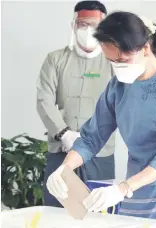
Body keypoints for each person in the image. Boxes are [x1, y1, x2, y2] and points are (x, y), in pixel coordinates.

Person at [46, 11, 156, 227]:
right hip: (134, 191)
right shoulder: (117, 87)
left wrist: (123, 188)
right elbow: (92, 138)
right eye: (110, 61)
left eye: (122, 60)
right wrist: (65, 169)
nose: (117, 66)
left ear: (145, 48)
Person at [36, 1, 116, 207]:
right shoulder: (55, 59)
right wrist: (64, 134)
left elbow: (121, 106)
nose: (88, 30)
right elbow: (44, 100)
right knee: (56, 210)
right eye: (82, 24)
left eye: (95, 25)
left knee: (96, 213)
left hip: (100, 154)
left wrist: (93, 138)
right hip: (60, 150)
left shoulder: (115, 63)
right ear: (73, 26)